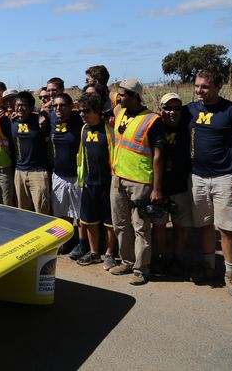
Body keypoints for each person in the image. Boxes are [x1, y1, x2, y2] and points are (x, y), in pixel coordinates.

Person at [186, 69, 232, 298]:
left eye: (204, 86)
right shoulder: (191, 110)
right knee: (204, 224)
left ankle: (231, 274)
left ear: (218, 86)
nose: (199, 90)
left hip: (225, 178)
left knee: (228, 228)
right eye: (196, 86)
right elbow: (165, 117)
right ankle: (208, 267)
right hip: (197, 178)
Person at [108, 78, 164, 285]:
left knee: (140, 226)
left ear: (135, 96)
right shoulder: (119, 112)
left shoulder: (152, 120)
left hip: (140, 181)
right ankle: (127, 261)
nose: (119, 97)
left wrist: (156, 188)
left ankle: (141, 269)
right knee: (120, 224)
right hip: (118, 177)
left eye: (122, 95)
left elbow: (158, 155)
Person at [151, 93, 192, 276]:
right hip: (159, 186)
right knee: (159, 224)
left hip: (181, 184)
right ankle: (160, 257)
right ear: (160, 110)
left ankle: (177, 258)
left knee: (179, 224)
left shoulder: (186, 122)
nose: (172, 112)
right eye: (167, 108)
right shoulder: (154, 125)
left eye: (177, 108)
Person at [75, 93, 117, 269]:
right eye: (80, 111)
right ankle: (94, 253)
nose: (82, 114)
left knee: (109, 222)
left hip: (107, 183)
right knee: (89, 221)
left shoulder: (109, 128)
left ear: (97, 111)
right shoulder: (84, 129)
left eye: (86, 111)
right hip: (89, 183)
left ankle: (109, 253)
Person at [48, 93, 85, 259]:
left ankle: (83, 244)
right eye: (55, 106)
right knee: (62, 213)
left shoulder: (79, 120)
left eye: (62, 105)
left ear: (71, 106)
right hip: (59, 174)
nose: (58, 108)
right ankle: (65, 241)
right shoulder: (51, 119)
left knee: (80, 214)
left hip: (77, 175)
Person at [11, 91, 50, 213]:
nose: (20, 108)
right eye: (17, 105)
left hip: (38, 172)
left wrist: (42, 114)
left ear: (31, 107)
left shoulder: (40, 121)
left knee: (41, 210)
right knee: (23, 211)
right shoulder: (12, 121)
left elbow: (49, 112)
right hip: (19, 172)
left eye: (23, 105)